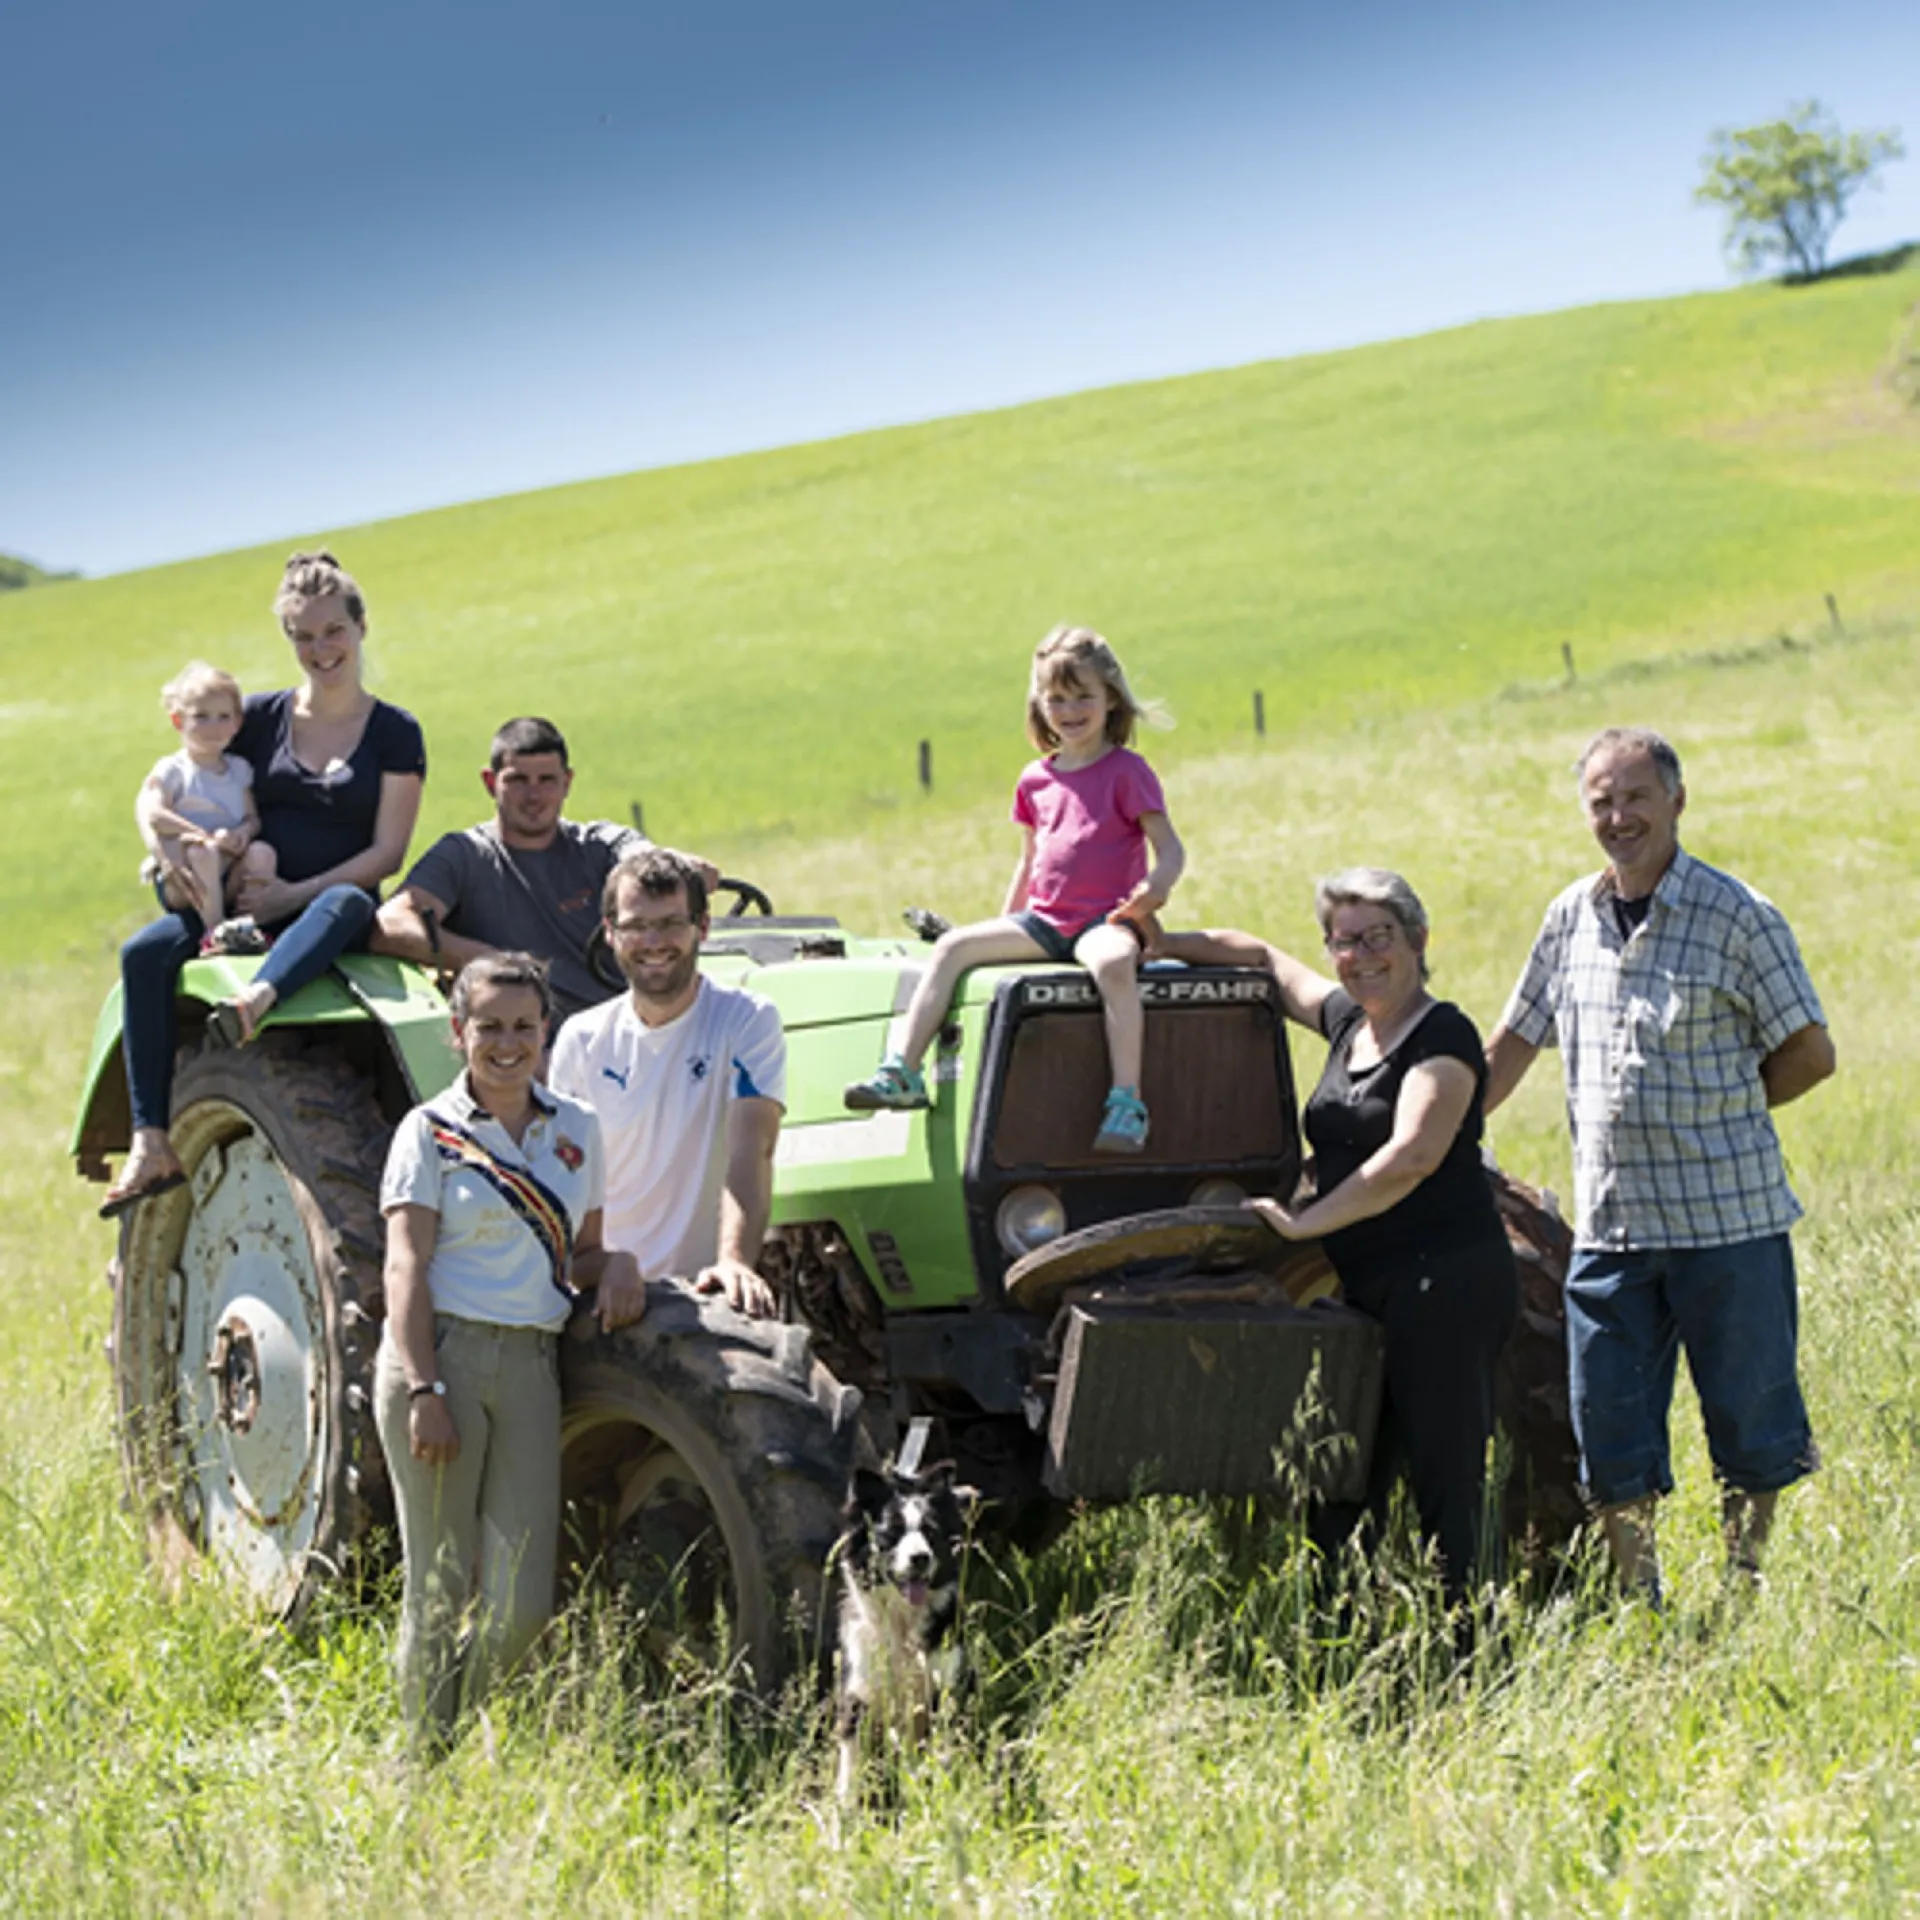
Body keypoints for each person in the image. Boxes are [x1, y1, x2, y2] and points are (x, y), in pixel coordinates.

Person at [1484, 727, 1834, 1600]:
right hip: (1612, 1229)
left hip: (1731, 1222)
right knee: (1609, 1427)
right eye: (1601, 800)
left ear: (1677, 801)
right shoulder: (1569, 916)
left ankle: (1743, 1590)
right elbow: (1514, 1042)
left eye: (1636, 796)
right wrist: (1431, 1131)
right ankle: (1643, 1603)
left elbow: (1810, 1053)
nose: (1619, 815)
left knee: (1751, 1424)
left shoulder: (1738, 915)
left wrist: (1724, 1114)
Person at [1153, 869, 1518, 1607]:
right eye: (1343, 941)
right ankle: (1341, 1647)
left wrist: (1305, 1223)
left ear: (1417, 940)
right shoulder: (1350, 1022)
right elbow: (1257, 956)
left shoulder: (1441, 1035)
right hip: (1368, 1294)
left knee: (1446, 1481)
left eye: (1378, 936)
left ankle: (1474, 1657)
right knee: (1340, 1481)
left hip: (1444, 1284)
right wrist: (1157, 941)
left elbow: (1412, 1156)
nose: (1359, 955)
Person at [102, 551, 426, 1217]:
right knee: (143, 953)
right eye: (304, 637)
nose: (320, 649)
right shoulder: (256, 719)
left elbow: (386, 853)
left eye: (332, 631)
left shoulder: (394, 732)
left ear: (360, 628)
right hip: (240, 900)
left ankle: (258, 996)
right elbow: (172, 779)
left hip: (327, 905)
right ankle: (150, 1138)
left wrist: (290, 896)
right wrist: (169, 851)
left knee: (345, 901)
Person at [374, 952, 643, 1747]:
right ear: (458, 1033)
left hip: (531, 1367)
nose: (507, 1042)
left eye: (523, 1026)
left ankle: (471, 1733)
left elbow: (578, 1257)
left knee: (523, 1601)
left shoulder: (578, 1128)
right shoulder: (427, 1132)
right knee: (440, 1580)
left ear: (544, 1032)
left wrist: (620, 1264)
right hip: (441, 1360)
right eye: (489, 1026)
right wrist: (425, 1389)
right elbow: (405, 1267)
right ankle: (424, 1761)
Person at [843, 624, 1184, 1153]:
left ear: (1110, 697)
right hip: (1045, 922)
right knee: (954, 948)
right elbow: (1030, 861)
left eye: (1082, 697)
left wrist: (1153, 892)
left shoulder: (1127, 772)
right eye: (1057, 699)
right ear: (1039, 703)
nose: (1070, 711)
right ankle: (902, 1071)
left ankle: (1126, 1103)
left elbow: (1172, 850)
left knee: (1114, 966)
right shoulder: (1035, 780)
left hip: (1105, 920)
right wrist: (1004, 922)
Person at [549, 849, 784, 1320]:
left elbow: (751, 1149)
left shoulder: (745, 1019)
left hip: (705, 1291)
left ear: (703, 926)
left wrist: (733, 1262)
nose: (653, 941)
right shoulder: (582, 1038)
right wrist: (598, 1267)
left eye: (671, 923)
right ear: (610, 933)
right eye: (636, 926)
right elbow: (566, 1180)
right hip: (604, 1292)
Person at [372, 716, 655, 1021]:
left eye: (546, 780)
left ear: (567, 782)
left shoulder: (599, 847)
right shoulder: (464, 855)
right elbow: (389, 925)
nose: (533, 796)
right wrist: (490, 960)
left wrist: (680, 868)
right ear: (490, 783)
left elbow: (650, 862)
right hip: (514, 1046)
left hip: (614, 1034)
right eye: (518, 781)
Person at [135, 660, 277, 933]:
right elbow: (155, 814)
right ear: (178, 720)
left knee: (262, 853)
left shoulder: (238, 769)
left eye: (224, 717)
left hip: (227, 867)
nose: (214, 727)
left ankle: (254, 924)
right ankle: (215, 932)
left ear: (237, 723)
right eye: (201, 717)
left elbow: (252, 817)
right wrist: (201, 834)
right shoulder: (173, 769)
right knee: (203, 852)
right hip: (184, 874)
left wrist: (242, 834)